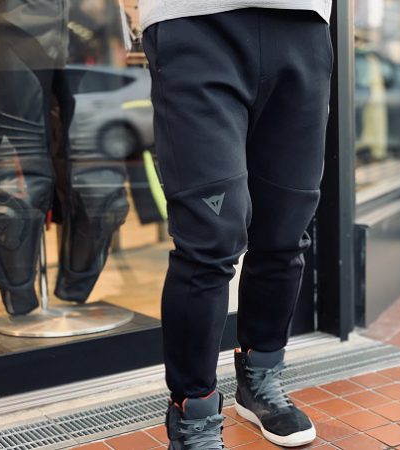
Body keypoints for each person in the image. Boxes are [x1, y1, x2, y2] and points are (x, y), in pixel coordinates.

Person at [138, 0, 333, 448]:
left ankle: (260, 378)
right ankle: (193, 414)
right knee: (209, 239)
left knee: (285, 231)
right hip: (194, 21)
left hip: (302, 26)